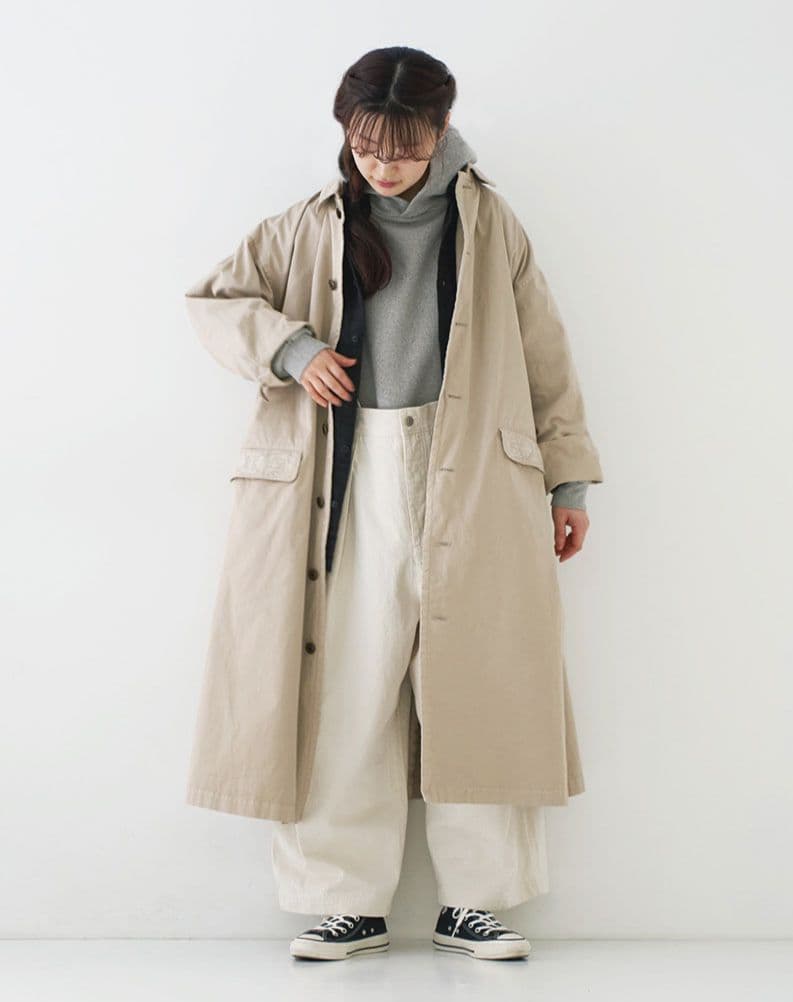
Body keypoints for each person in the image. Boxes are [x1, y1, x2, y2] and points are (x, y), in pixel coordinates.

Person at [184, 45, 603, 963]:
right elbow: (214, 300)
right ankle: (344, 901)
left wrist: (567, 478)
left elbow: (544, 353)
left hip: (473, 467)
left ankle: (477, 902)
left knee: (479, 677)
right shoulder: (307, 225)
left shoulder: (491, 224)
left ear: (440, 131)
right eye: (366, 146)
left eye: (403, 149)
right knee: (346, 681)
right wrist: (293, 350)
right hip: (347, 470)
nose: (381, 165)